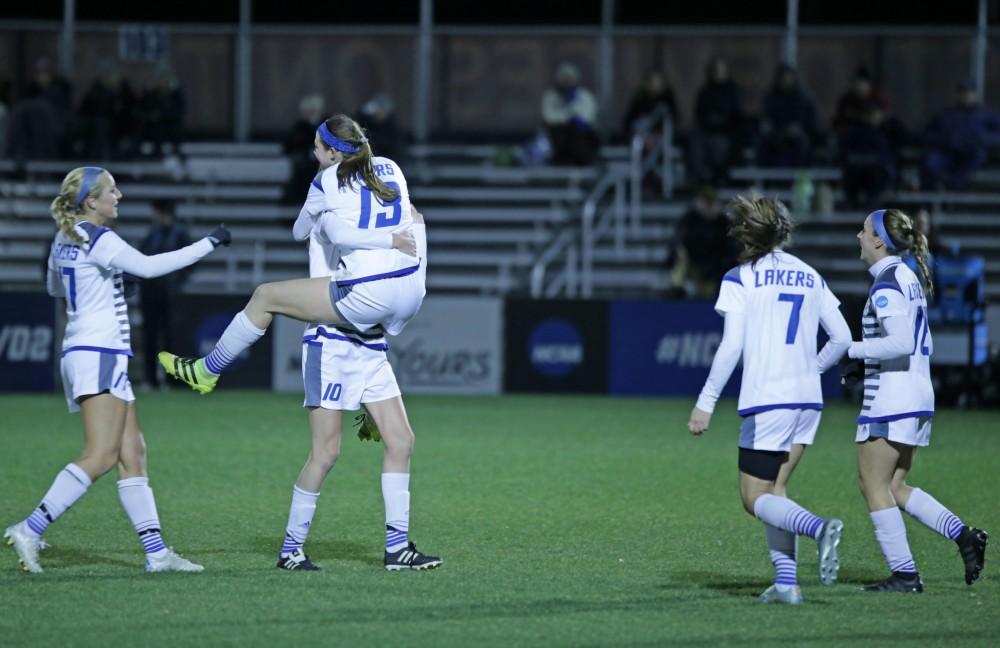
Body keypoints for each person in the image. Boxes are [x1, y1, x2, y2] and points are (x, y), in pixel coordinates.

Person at [158, 114, 440, 570]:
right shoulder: (386, 174)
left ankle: (397, 548)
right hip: (337, 335)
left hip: (359, 328)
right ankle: (291, 550)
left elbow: (302, 230)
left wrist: (319, 201)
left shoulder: (328, 187)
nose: (313, 154)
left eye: (317, 147)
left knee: (401, 440)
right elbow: (406, 222)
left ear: (332, 153)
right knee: (326, 453)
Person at [3, 166, 230, 574]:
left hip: (85, 350)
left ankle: (157, 553)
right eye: (111, 190)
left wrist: (101, 285)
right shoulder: (99, 236)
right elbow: (151, 267)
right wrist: (209, 243)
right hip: (100, 351)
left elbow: (56, 288)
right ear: (92, 202)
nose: (119, 195)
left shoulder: (64, 236)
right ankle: (30, 528)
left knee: (132, 453)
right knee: (102, 454)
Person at [688, 195, 852, 605]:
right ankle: (786, 584)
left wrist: (706, 401)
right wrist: (810, 371)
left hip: (769, 400)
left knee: (753, 498)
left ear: (745, 233)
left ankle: (817, 528)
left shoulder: (740, 278)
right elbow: (844, 338)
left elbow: (731, 347)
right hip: (807, 401)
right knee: (776, 491)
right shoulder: (811, 275)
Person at [844, 208, 988, 593]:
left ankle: (905, 575)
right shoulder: (906, 276)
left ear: (878, 240)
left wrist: (852, 350)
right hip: (916, 393)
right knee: (895, 486)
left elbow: (901, 341)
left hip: (892, 397)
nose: (858, 237)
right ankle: (964, 536)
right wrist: (867, 360)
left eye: (863, 231)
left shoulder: (888, 283)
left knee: (872, 484)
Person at [138, 199, 192, 388]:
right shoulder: (152, 234)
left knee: (170, 337)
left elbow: (190, 261)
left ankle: (170, 379)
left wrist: (178, 281)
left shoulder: (179, 234)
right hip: (150, 292)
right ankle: (150, 378)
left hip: (169, 294)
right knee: (150, 337)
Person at [921, 80, 1000, 190]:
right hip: (947, 153)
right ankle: (929, 198)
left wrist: (984, 138)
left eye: (969, 92)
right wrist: (942, 139)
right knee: (931, 163)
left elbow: (997, 136)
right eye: (962, 92)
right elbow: (928, 134)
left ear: (975, 94)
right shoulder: (946, 114)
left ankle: (950, 186)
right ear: (957, 95)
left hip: (971, 154)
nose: (966, 96)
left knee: (977, 157)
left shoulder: (985, 115)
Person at [669, 185, 737, 299]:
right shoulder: (689, 220)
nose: (708, 207)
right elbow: (678, 243)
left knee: (707, 294)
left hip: (714, 268)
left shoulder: (723, 223)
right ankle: (677, 289)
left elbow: (730, 251)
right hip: (693, 264)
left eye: (711, 203)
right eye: (706, 203)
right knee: (680, 255)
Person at [689, 57, 744, 183]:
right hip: (706, 129)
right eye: (717, 70)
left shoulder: (733, 90)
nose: (719, 73)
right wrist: (710, 122)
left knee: (719, 144)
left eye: (722, 70)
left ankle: (717, 175)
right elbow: (699, 114)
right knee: (696, 139)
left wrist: (722, 122)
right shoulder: (704, 91)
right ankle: (701, 175)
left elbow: (736, 116)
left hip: (727, 131)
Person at [757, 64, 818, 167]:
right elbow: (766, 117)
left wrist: (796, 128)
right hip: (774, 135)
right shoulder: (771, 96)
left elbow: (806, 120)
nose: (786, 81)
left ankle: (798, 178)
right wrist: (771, 128)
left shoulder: (801, 98)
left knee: (801, 144)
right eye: (783, 78)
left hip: (795, 135)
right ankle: (768, 180)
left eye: (789, 78)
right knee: (763, 144)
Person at [541, 62, 599, 166]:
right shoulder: (551, 96)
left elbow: (587, 117)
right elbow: (549, 117)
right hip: (558, 137)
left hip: (581, 137)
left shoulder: (585, 96)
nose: (567, 82)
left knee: (579, 134)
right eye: (564, 78)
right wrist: (566, 115)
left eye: (570, 78)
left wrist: (573, 108)